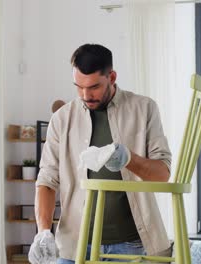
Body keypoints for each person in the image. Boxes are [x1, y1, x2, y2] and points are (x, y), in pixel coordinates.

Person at [28, 44, 172, 264]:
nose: (86, 95)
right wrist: (43, 232)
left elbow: (162, 175)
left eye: (94, 87)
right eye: (79, 87)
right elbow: (47, 180)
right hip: (75, 247)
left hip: (132, 246)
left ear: (112, 76)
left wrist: (129, 159)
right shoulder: (61, 120)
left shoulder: (144, 109)